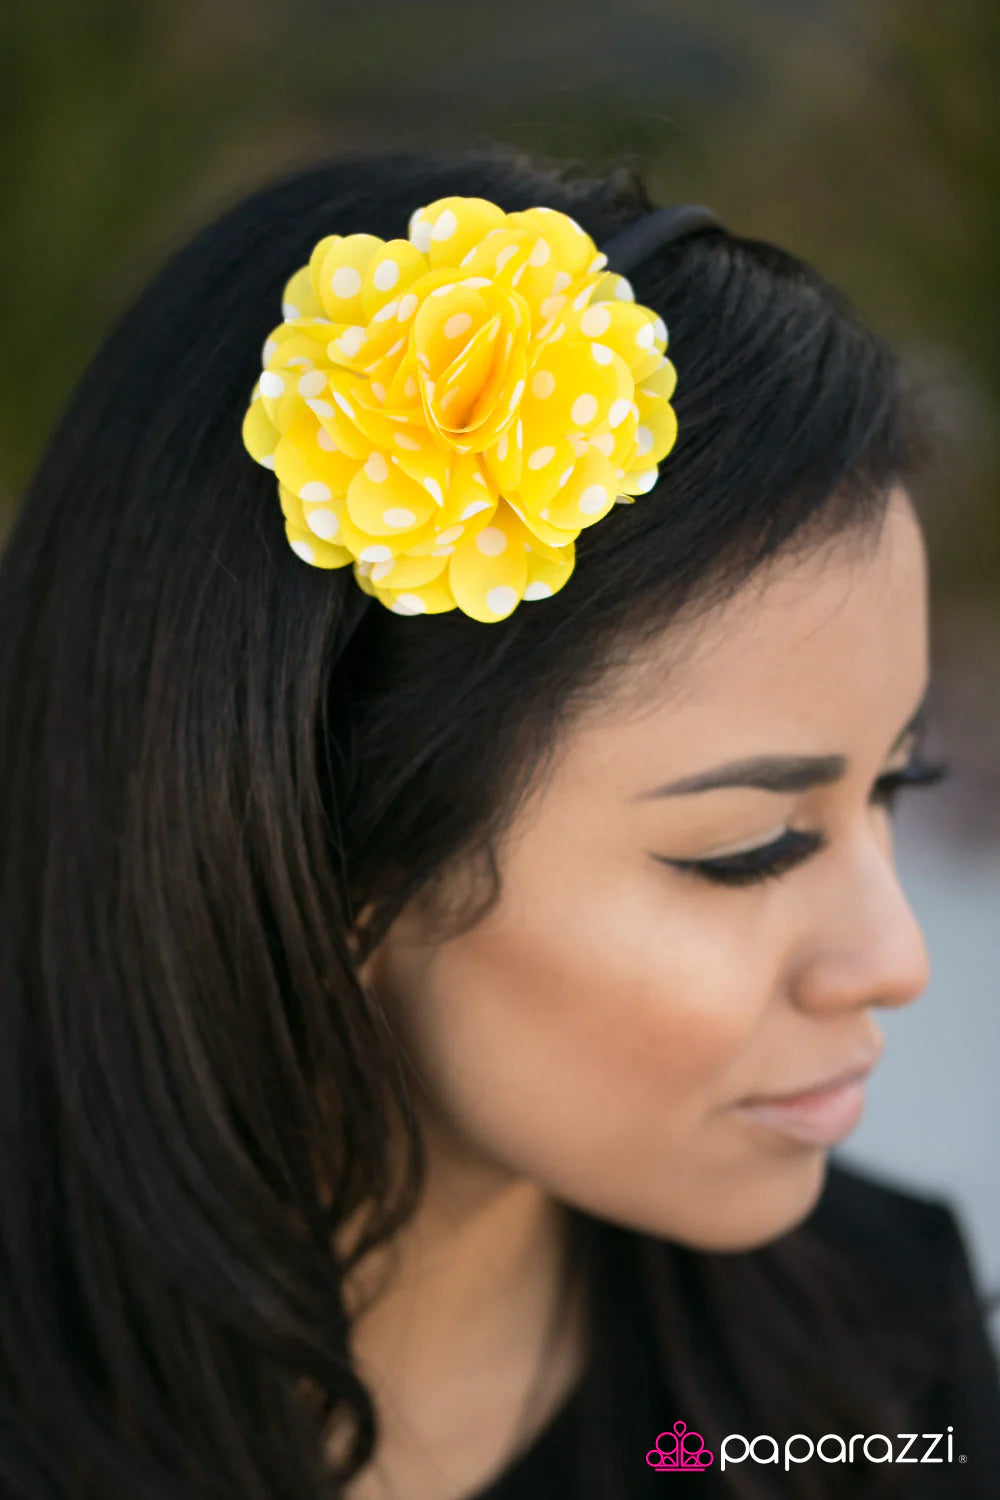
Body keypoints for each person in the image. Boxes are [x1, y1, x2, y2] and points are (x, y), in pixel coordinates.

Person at [1, 146, 998, 1500]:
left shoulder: (875, 1366)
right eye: (748, 848)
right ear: (316, 843)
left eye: (895, 784)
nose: (896, 959)